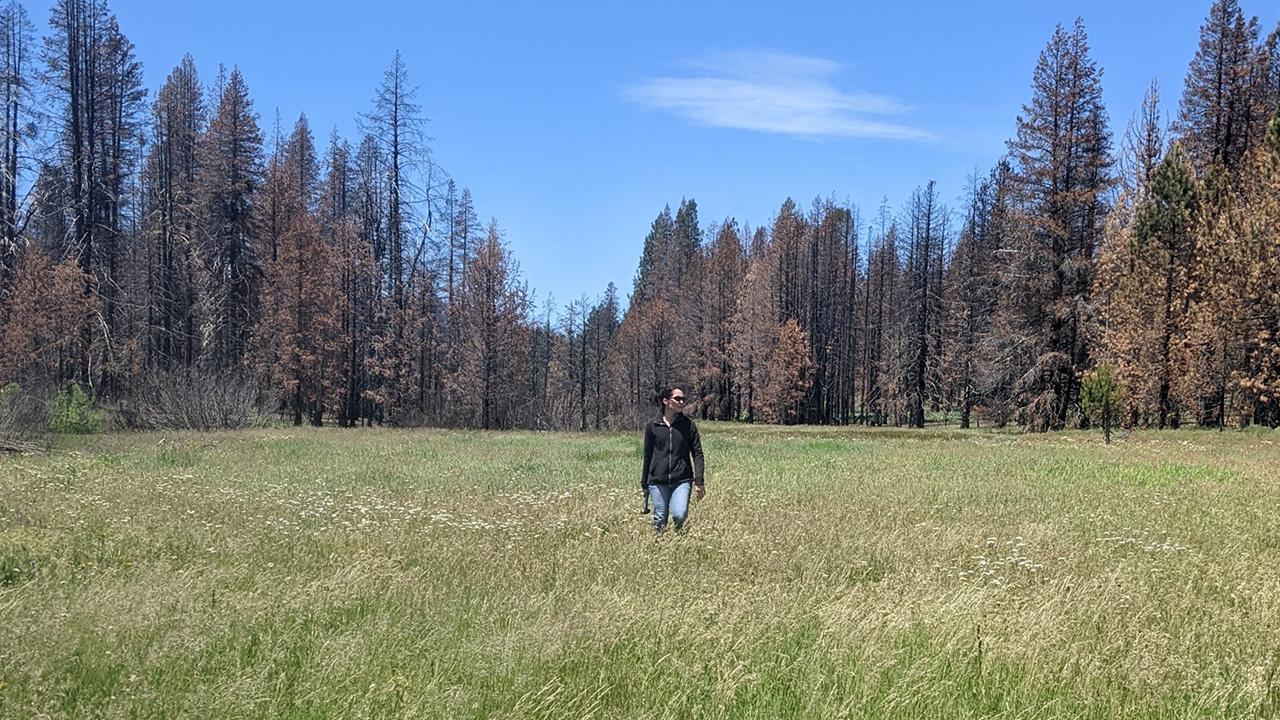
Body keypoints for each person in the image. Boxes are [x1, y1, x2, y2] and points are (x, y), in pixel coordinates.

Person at [641, 386, 705, 533]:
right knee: (660, 518)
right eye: (677, 399)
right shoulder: (653, 425)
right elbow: (647, 454)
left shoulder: (688, 425)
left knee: (679, 514)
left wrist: (699, 481)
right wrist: (644, 482)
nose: (681, 402)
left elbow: (697, 453)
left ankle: (679, 537)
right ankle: (659, 547)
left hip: (682, 479)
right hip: (657, 480)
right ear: (665, 401)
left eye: (683, 399)